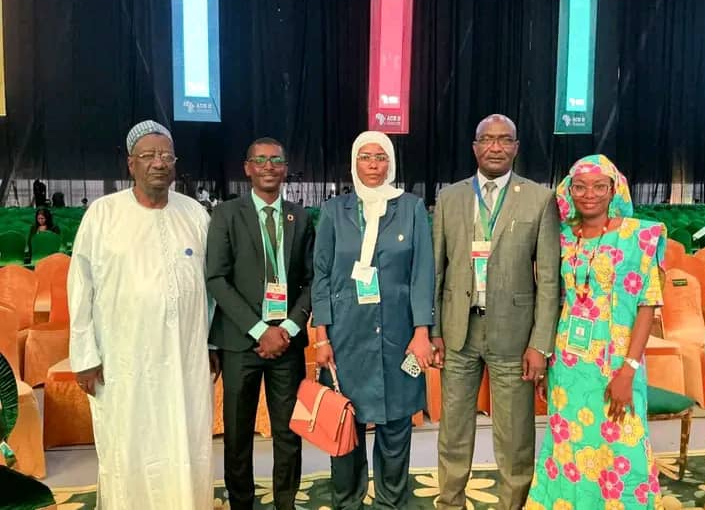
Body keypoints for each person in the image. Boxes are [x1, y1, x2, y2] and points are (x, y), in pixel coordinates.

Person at [68, 120, 215, 510]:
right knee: (128, 446)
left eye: (166, 155)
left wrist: (212, 342)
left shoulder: (195, 214)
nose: (159, 163)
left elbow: (212, 287)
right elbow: (80, 287)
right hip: (123, 361)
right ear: (131, 163)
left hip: (184, 359)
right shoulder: (103, 214)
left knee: (185, 438)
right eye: (148, 155)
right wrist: (84, 355)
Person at [433, 114, 561, 510]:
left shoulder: (539, 199)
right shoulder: (449, 198)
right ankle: (450, 502)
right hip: (459, 330)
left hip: (515, 335)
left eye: (504, 140)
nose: (495, 147)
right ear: (475, 147)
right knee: (453, 429)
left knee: (515, 435)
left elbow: (550, 280)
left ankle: (513, 505)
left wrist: (540, 344)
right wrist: (435, 331)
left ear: (516, 148)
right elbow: (436, 271)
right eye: (487, 139)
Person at [526, 154, 665, 509]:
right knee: (569, 447)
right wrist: (548, 360)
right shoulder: (561, 238)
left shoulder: (638, 236)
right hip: (569, 365)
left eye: (599, 186)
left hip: (617, 363)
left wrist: (628, 371)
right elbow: (553, 300)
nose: (589, 194)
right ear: (568, 191)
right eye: (580, 187)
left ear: (614, 190)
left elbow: (647, 305)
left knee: (622, 447)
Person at [312, 131, 435, 509]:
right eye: (365, 157)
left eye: (381, 157)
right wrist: (321, 336)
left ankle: (390, 502)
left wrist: (422, 332)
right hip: (346, 336)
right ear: (354, 163)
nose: (373, 164)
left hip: (399, 334)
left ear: (391, 163)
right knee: (345, 425)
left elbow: (422, 274)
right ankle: (347, 501)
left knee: (396, 426)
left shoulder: (411, 209)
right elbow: (321, 275)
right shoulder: (334, 211)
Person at [206, 137, 314, 510]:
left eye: (276, 160)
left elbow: (312, 281)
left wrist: (289, 328)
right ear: (248, 168)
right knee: (238, 434)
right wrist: (259, 330)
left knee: (288, 432)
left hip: (288, 342)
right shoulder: (226, 214)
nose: (269, 166)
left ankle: (286, 502)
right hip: (241, 342)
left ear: (285, 169)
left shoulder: (300, 217)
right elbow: (216, 278)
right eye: (261, 160)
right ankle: (241, 502)